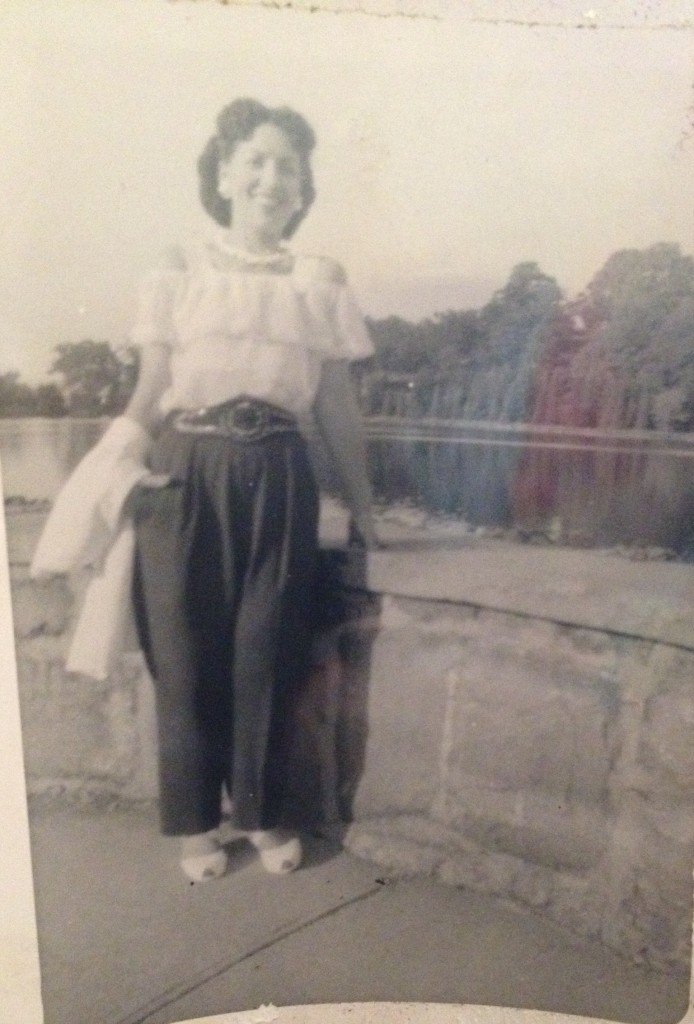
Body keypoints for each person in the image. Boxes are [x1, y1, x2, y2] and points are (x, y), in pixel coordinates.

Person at [120, 98, 378, 882]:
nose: (272, 179)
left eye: (288, 168)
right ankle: (195, 824)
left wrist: (365, 506)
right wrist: (121, 461)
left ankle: (263, 816)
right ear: (225, 173)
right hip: (182, 467)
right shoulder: (178, 266)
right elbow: (151, 384)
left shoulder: (318, 277)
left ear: (303, 191)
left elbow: (334, 403)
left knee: (268, 649)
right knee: (185, 653)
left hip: (279, 469)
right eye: (256, 161)